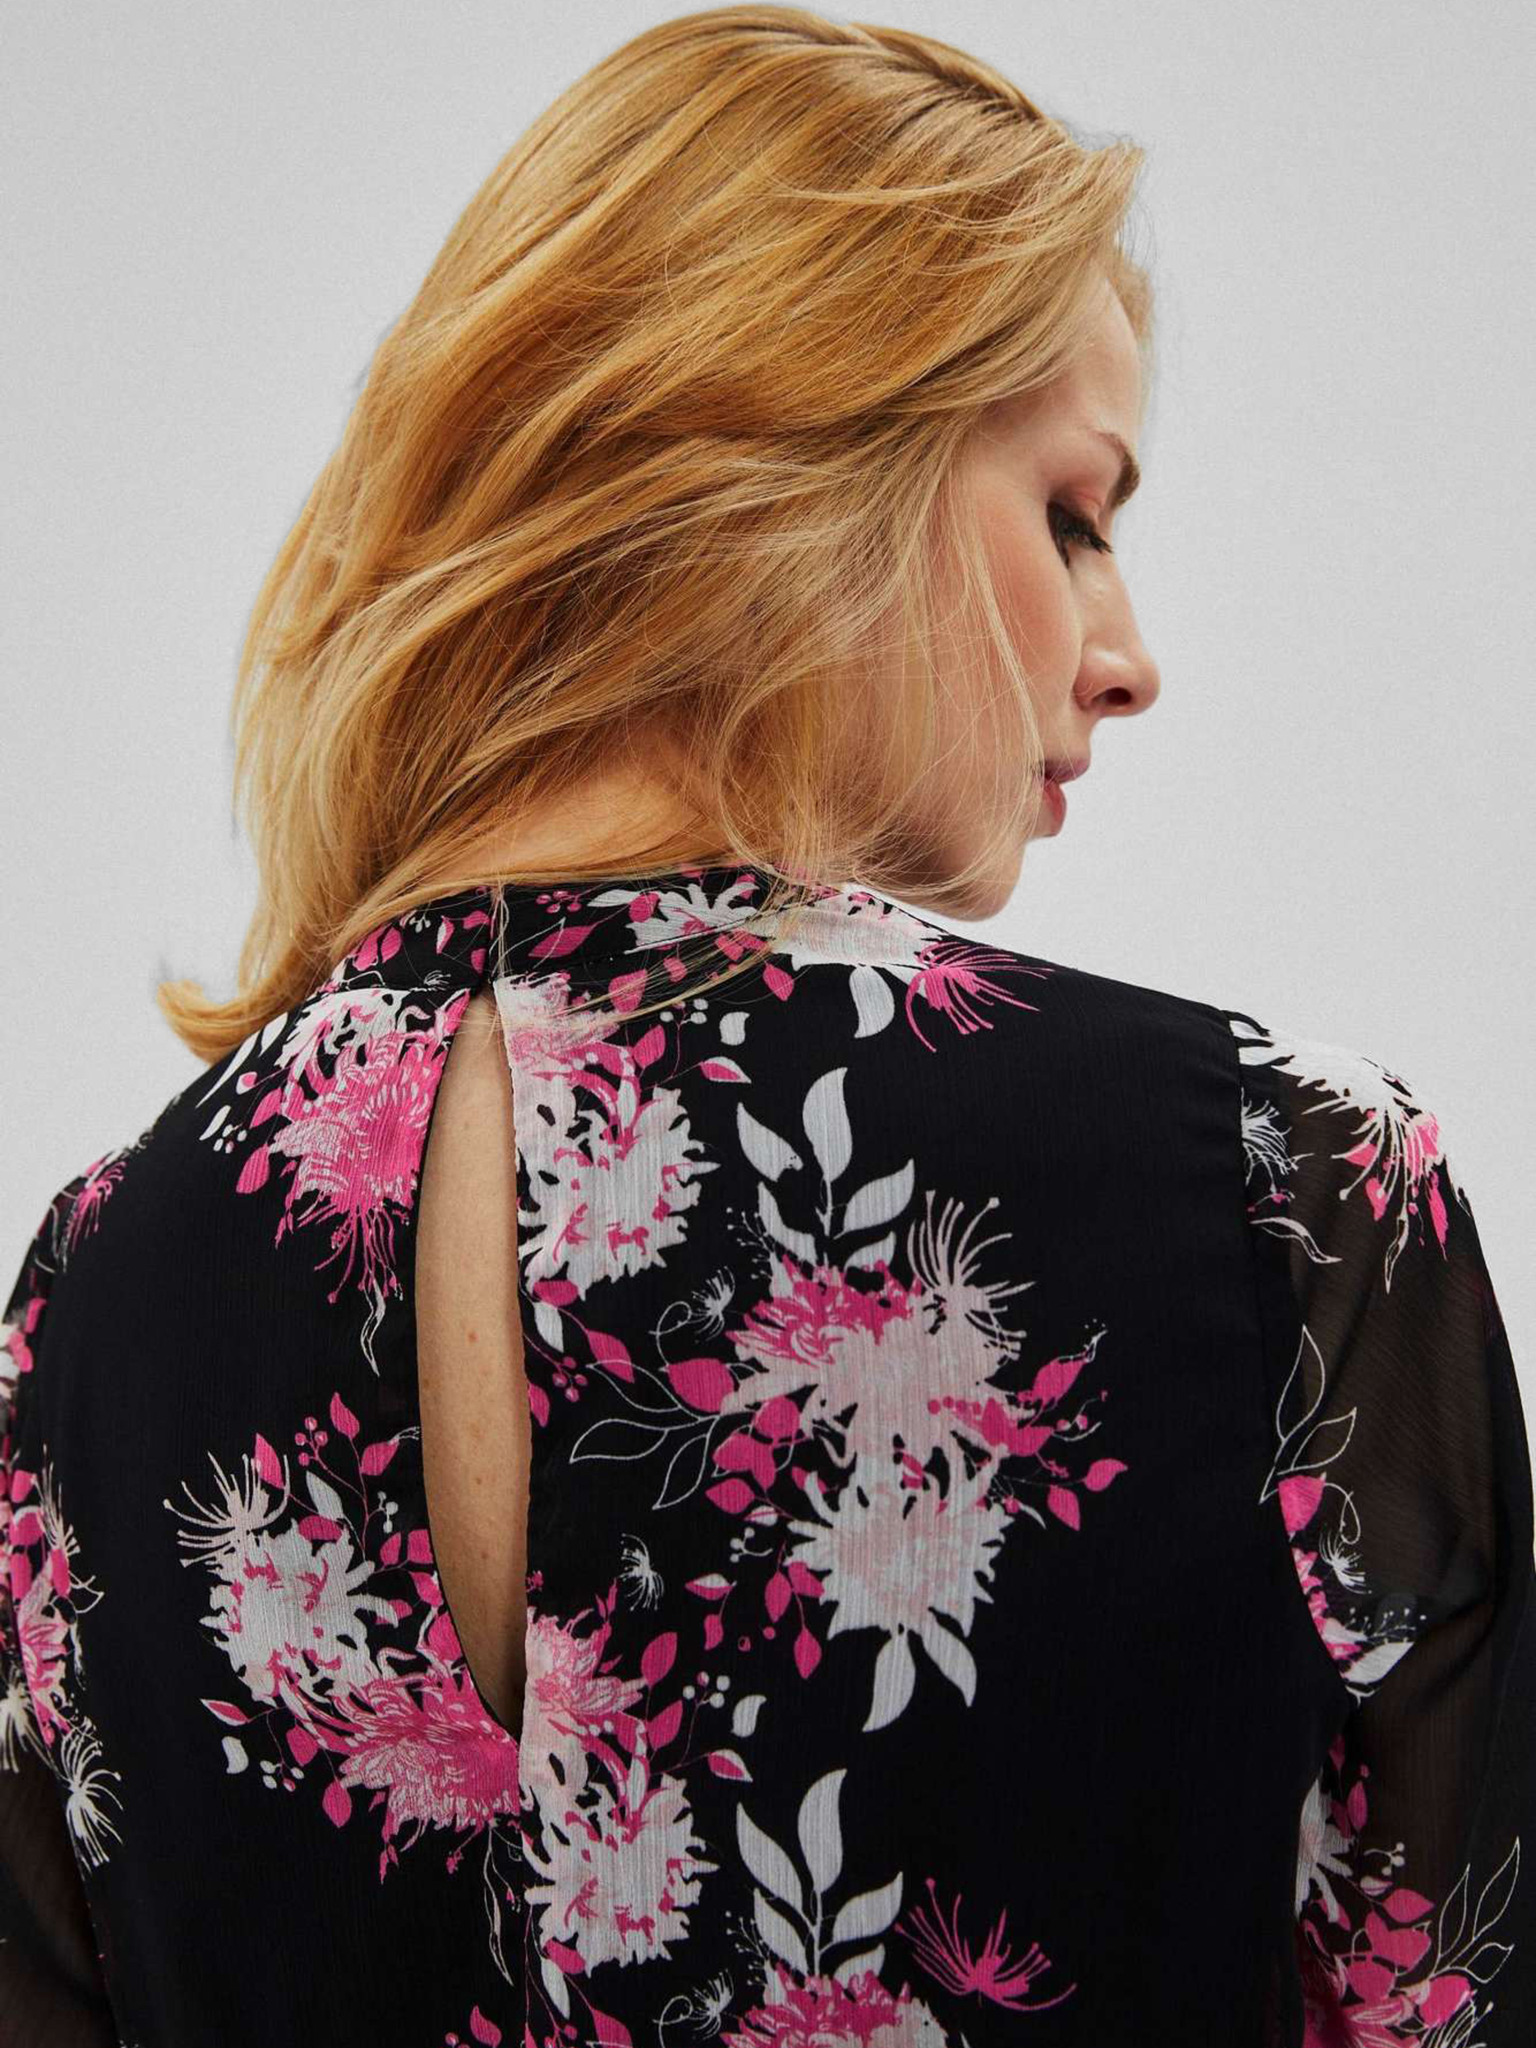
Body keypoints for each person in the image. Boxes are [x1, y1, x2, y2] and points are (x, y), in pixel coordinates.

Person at [3, 8, 1531, 2044]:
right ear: (809, 449)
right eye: (1075, 513)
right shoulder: (1283, 1190)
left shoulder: (89, 1297)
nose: (1126, 654)